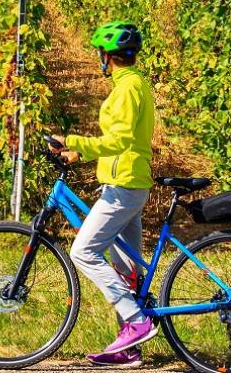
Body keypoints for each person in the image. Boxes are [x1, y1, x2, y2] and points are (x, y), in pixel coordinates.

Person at [51, 20, 156, 368]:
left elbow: (120, 140)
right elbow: (122, 141)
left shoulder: (126, 89)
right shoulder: (134, 83)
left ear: (107, 56)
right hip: (128, 182)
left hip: (124, 186)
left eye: (100, 52)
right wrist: (79, 154)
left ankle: (137, 321)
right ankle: (129, 348)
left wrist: (71, 140)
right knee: (126, 269)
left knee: (83, 251)